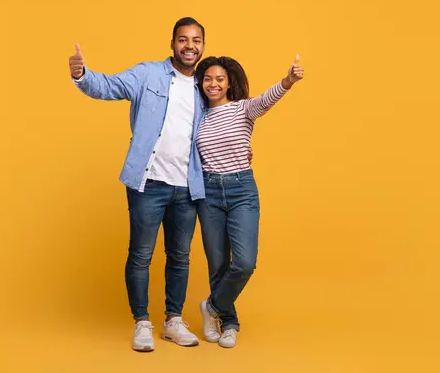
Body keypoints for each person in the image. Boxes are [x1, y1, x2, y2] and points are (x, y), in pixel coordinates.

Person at [68, 17, 208, 352]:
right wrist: (81, 76)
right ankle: (142, 322)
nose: (190, 46)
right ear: (172, 43)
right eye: (183, 39)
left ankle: (173, 321)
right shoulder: (148, 74)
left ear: (203, 45)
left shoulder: (206, 85)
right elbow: (109, 86)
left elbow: (223, 121)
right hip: (148, 183)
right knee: (141, 254)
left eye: (196, 40)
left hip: (188, 187)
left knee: (180, 256)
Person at [194, 55, 304, 348]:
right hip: (208, 192)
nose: (213, 83)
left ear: (229, 82)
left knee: (243, 262)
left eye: (219, 79)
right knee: (217, 263)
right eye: (207, 79)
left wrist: (288, 81)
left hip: (242, 189)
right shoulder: (198, 115)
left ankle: (212, 308)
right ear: (201, 83)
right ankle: (229, 323)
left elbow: (267, 99)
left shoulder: (243, 108)